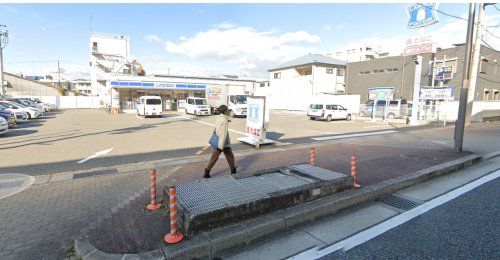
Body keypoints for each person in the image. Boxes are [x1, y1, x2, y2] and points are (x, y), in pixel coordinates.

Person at [204, 105, 236, 178]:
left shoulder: (220, 117)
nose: (228, 111)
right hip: (222, 142)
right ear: (225, 111)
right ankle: (233, 171)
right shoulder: (224, 120)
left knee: (220, 157)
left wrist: (230, 116)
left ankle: (207, 171)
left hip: (220, 140)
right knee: (227, 156)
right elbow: (223, 133)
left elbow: (228, 119)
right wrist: (220, 146)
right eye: (227, 110)